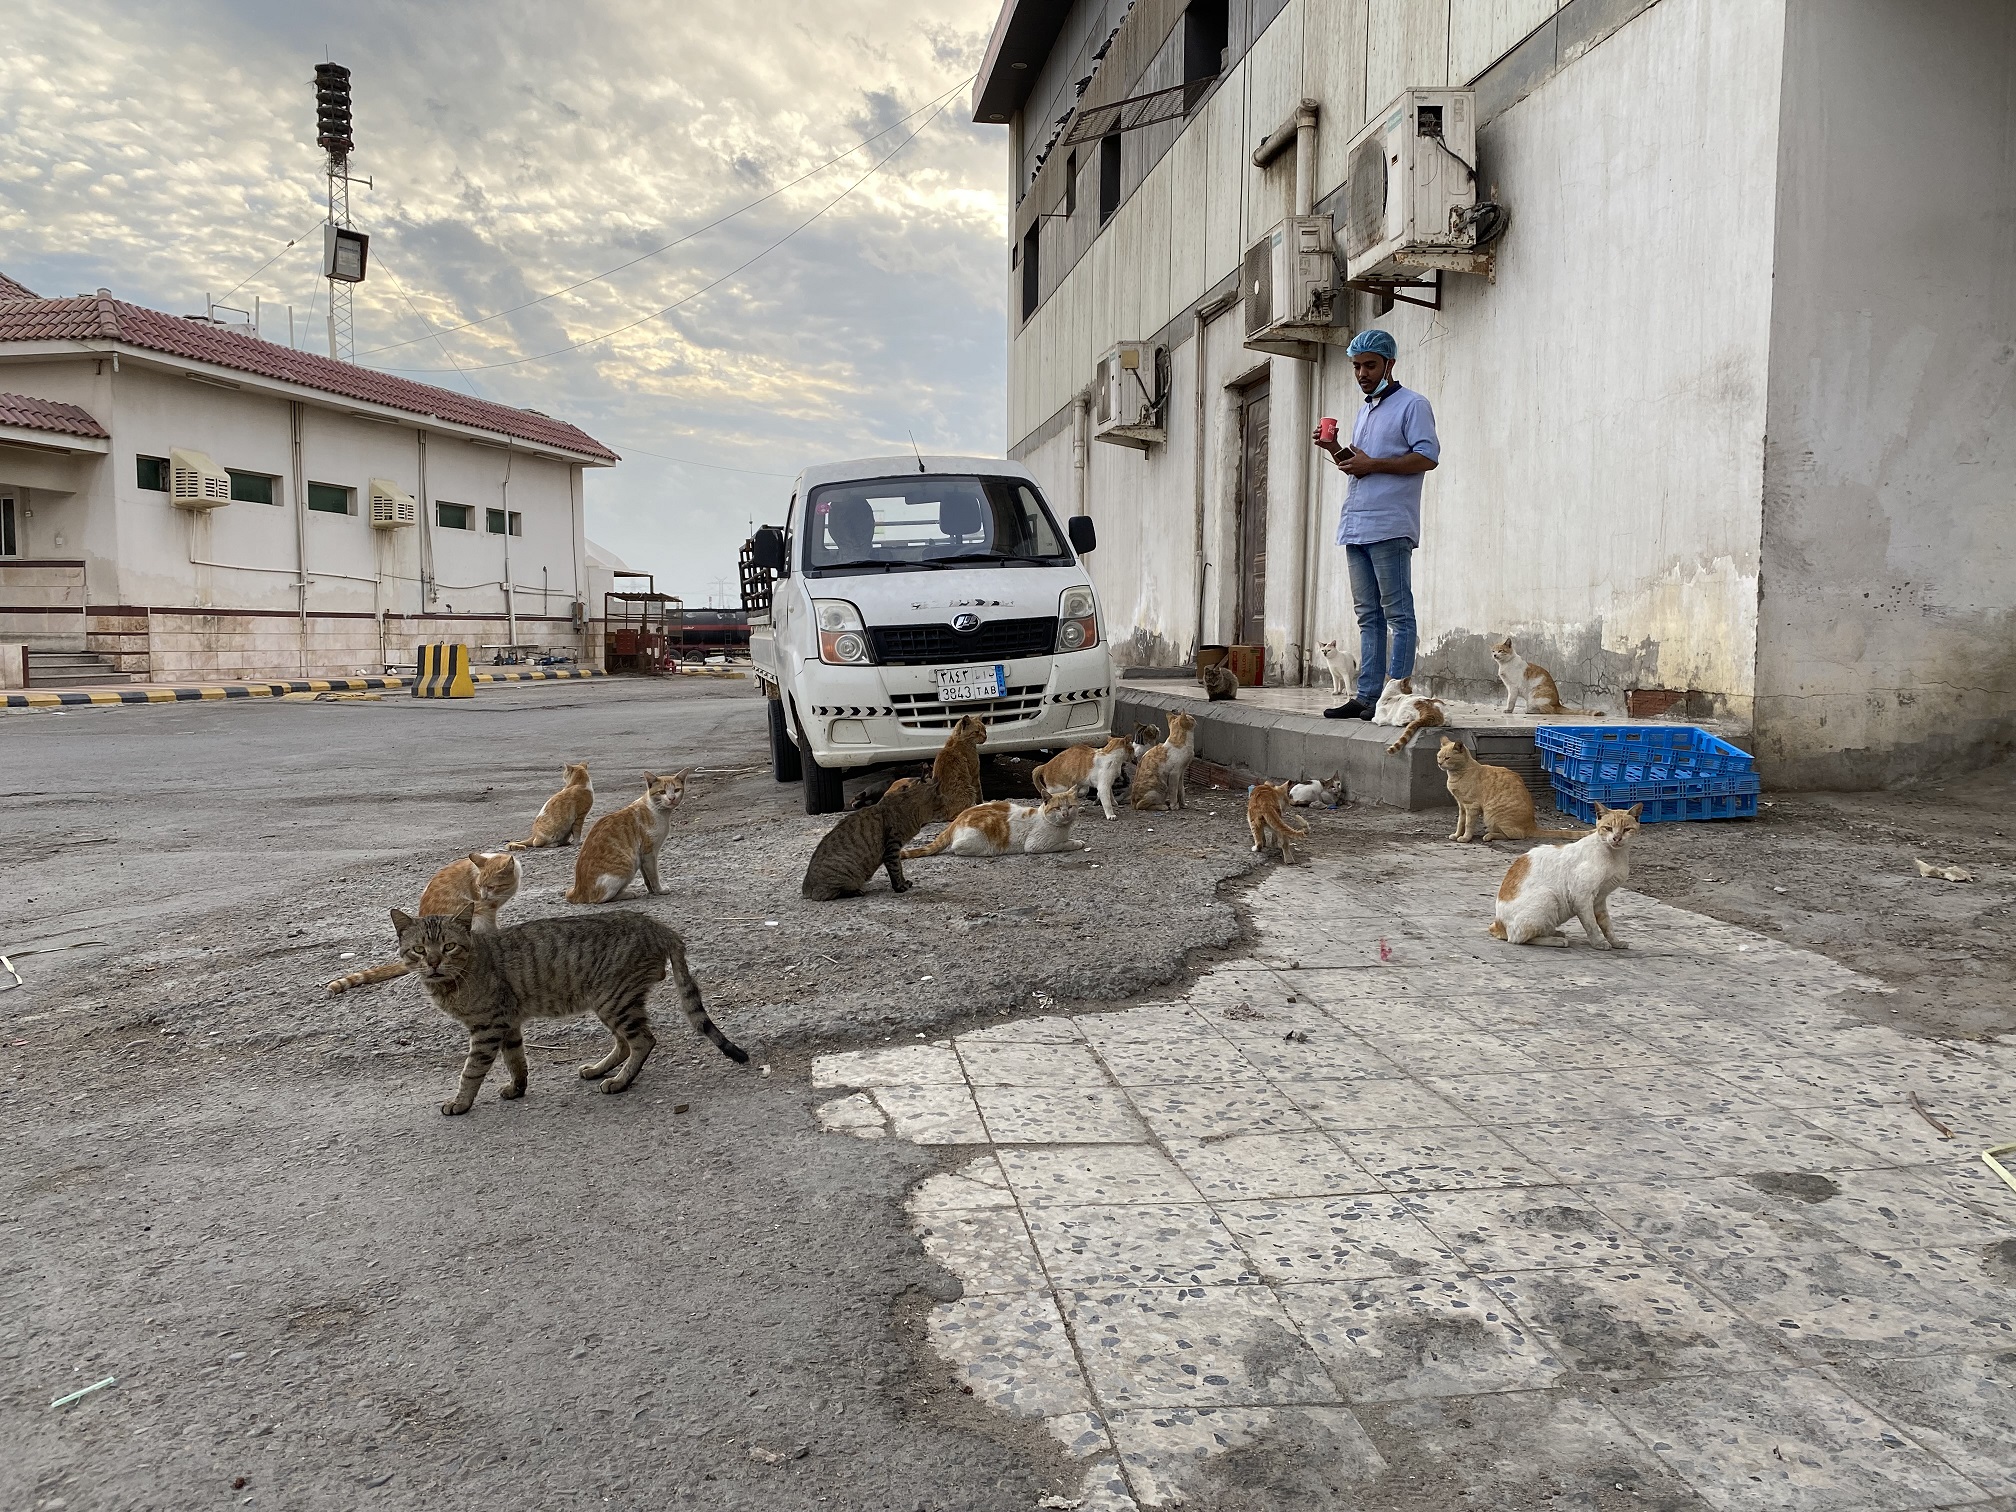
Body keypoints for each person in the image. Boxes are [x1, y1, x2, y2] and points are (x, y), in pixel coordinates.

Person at [1311, 328, 1439, 720]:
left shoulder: (1412, 405)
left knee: (1398, 613)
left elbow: (1427, 457)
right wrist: (1334, 448)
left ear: (1389, 364)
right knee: (1368, 615)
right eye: (1356, 366)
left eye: (1370, 365)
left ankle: (1395, 696)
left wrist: (1373, 464)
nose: (1362, 373)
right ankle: (1367, 697)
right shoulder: (1365, 409)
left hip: (1390, 524)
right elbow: (1360, 466)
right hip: (1356, 524)